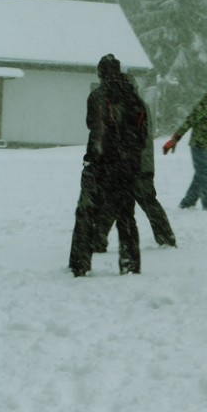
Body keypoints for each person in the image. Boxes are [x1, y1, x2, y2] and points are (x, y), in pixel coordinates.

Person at [68, 54, 148, 277]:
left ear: (101, 73)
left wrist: (99, 156)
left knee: (87, 213)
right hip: (127, 166)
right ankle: (130, 263)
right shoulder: (135, 99)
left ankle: (80, 263)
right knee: (125, 215)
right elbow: (143, 136)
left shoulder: (97, 96)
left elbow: (93, 126)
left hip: (99, 164)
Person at [94, 75, 177, 250]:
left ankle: (166, 238)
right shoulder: (127, 105)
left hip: (137, 166)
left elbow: (136, 140)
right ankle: (97, 239)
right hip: (130, 165)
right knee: (116, 202)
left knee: (139, 201)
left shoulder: (134, 107)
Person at [162, 76, 207, 211]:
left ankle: (187, 203)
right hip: (199, 145)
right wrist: (176, 137)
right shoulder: (205, 103)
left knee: (200, 176)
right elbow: (190, 120)